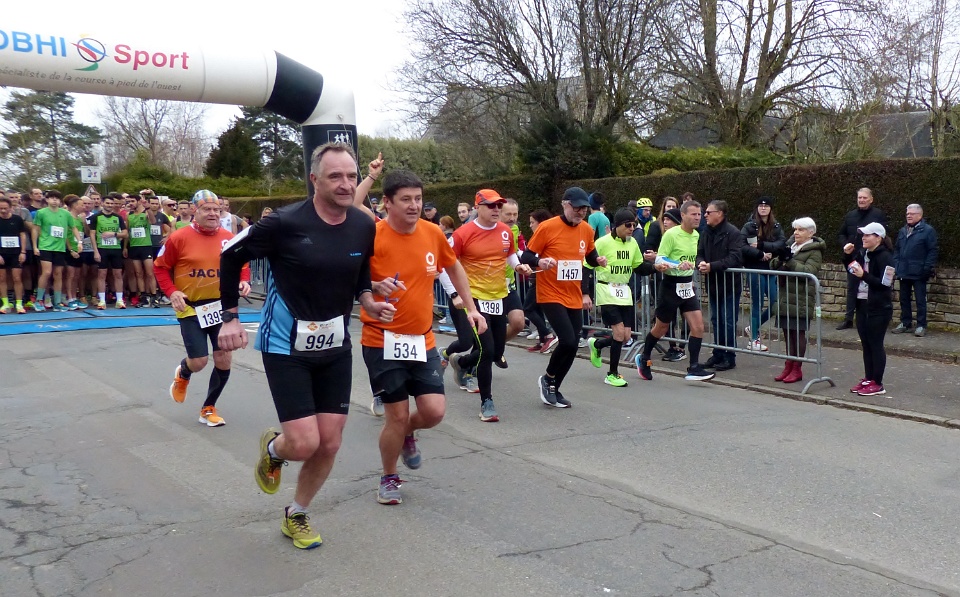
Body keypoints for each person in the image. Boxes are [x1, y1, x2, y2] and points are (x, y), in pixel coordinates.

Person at [218, 142, 393, 549]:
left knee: (330, 441)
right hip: (286, 345)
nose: (346, 184)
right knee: (303, 443)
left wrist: (367, 298)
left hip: (335, 344)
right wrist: (229, 316)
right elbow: (229, 255)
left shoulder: (363, 224)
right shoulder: (283, 222)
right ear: (314, 180)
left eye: (351, 176)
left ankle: (296, 512)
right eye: (335, 176)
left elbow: (359, 269)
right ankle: (275, 449)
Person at [357, 169, 484, 505]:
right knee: (396, 416)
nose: (414, 205)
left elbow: (453, 266)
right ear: (387, 203)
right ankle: (389, 476)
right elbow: (351, 278)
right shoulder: (371, 235)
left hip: (421, 340)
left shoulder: (432, 232)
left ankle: (408, 433)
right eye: (406, 200)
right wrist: (373, 289)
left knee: (434, 412)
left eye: (418, 199)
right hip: (381, 340)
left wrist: (471, 308)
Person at [155, 190, 252, 429]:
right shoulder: (179, 238)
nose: (213, 214)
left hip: (220, 307)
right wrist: (172, 292)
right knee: (199, 361)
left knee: (224, 358)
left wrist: (244, 280)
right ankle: (184, 372)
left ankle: (208, 408)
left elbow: (242, 264)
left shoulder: (228, 237)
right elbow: (160, 267)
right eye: (207, 209)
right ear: (194, 211)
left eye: (217, 210)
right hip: (190, 308)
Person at [448, 189, 531, 422]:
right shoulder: (463, 234)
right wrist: (455, 294)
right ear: (478, 207)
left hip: (498, 297)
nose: (496, 210)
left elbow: (510, 255)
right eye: (491, 206)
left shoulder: (505, 231)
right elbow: (447, 264)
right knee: (486, 350)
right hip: (474, 298)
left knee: (496, 350)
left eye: (498, 206)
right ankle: (487, 402)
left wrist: (518, 266)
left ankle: (461, 362)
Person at [521, 187, 607, 407]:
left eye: (584, 209)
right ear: (565, 204)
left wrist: (598, 260)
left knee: (573, 344)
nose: (581, 212)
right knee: (567, 340)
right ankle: (548, 379)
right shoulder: (547, 227)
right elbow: (527, 255)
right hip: (550, 292)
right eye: (577, 208)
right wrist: (539, 262)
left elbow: (590, 253)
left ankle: (554, 387)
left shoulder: (586, 229)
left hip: (573, 293)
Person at [635, 203, 715, 382]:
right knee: (661, 328)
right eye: (693, 214)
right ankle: (644, 357)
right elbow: (660, 258)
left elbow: (695, 257)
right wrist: (678, 264)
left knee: (698, 327)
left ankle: (693, 367)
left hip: (687, 286)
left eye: (699, 214)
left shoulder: (696, 235)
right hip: (671, 286)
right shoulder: (671, 234)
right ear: (683, 215)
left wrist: (700, 263)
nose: (698, 217)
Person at [585, 208, 654, 387]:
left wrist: (655, 267)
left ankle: (598, 345)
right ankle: (612, 374)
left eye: (634, 225)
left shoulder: (632, 243)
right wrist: (585, 293)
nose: (632, 228)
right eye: (628, 225)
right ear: (617, 225)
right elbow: (587, 266)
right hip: (606, 289)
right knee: (618, 332)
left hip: (624, 291)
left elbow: (638, 266)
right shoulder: (602, 242)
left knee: (625, 336)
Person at [768, 218, 824, 383]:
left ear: (810, 233)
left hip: (801, 297)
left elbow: (808, 271)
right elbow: (773, 265)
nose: (796, 233)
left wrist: (789, 261)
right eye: (795, 229)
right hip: (786, 295)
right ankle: (788, 365)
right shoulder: (791, 245)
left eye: (800, 230)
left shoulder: (814, 251)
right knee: (787, 332)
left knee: (797, 333)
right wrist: (781, 258)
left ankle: (797, 368)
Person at [842, 222, 895, 396]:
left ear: (878, 238)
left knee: (875, 344)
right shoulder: (864, 253)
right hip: (862, 304)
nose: (863, 238)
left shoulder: (885, 257)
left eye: (867, 235)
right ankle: (868, 378)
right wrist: (847, 256)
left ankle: (878, 383)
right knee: (866, 343)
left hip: (879, 307)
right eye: (863, 235)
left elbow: (885, 284)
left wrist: (864, 275)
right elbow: (852, 269)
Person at [697, 200, 744, 371]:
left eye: (708, 212)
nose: (705, 215)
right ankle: (718, 353)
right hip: (713, 284)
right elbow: (699, 253)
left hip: (730, 284)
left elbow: (735, 258)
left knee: (728, 321)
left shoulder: (733, 233)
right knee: (716, 320)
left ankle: (729, 357)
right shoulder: (706, 232)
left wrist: (712, 266)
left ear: (720, 214)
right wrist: (701, 263)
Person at [836, 188, 887, 330]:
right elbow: (841, 234)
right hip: (854, 257)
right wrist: (846, 244)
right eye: (859, 198)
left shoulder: (878, 215)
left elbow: (883, 235)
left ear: (871, 199)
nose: (862, 200)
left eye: (865, 198)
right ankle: (848, 319)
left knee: (871, 286)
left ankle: (871, 316)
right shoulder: (850, 215)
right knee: (852, 288)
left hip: (871, 258)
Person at [740, 196, 786, 351]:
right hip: (755, 268)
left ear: (770, 209)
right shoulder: (750, 226)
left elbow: (781, 244)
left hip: (770, 269)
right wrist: (760, 254)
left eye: (766, 206)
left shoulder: (776, 226)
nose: (763, 208)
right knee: (757, 303)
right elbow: (743, 246)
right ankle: (753, 339)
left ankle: (753, 327)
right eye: (760, 206)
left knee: (775, 303)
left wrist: (762, 245)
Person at [643, 197, 685, 361]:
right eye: (668, 207)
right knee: (666, 318)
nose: (670, 210)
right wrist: (658, 258)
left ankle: (683, 349)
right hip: (664, 278)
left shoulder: (688, 233)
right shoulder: (657, 227)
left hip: (684, 280)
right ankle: (669, 347)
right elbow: (649, 250)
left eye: (674, 207)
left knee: (691, 319)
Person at [892, 204, 938, 337]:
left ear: (920, 215)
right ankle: (905, 323)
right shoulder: (903, 231)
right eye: (907, 213)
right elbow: (897, 249)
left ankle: (921, 325)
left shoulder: (928, 231)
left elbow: (933, 250)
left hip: (919, 272)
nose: (908, 216)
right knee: (904, 299)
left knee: (920, 300)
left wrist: (927, 268)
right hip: (903, 271)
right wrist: (896, 263)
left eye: (912, 214)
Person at [31, 190, 79, 312]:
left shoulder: (66, 214)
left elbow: (73, 228)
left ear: (60, 201)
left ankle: (57, 302)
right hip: (45, 246)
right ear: (47, 200)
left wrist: (79, 242)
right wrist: (35, 246)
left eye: (57, 198)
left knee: (58, 274)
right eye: (52, 198)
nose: (54, 200)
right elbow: (35, 229)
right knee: (46, 272)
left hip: (60, 248)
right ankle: (39, 300)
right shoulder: (41, 213)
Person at [497, 197, 527, 365]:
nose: (512, 218)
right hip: (488, 288)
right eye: (508, 214)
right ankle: (468, 363)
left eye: (515, 214)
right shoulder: (489, 230)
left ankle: (497, 348)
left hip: (509, 285)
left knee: (518, 323)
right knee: (487, 333)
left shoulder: (514, 229)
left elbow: (516, 252)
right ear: (498, 213)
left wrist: (536, 260)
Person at [523, 209, 556, 352]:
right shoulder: (537, 237)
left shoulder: (546, 237)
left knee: (528, 309)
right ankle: (543, 340)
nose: (530, 225)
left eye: (532, 222)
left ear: (541, 223)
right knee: (537, 309)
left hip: (540, 278)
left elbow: (534, 256)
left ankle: (548, 335)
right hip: (535, 277)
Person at [88, 194, 128, 309]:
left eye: (112, 203)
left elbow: (125, 233)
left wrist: (113, 234)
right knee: (102, 274)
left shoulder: (118, 217)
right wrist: (95, 251)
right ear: (102, 203)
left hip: (115, 249)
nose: (110, 205)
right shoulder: (96, 217)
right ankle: (102, 301)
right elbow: (92, 234)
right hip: (102, 249)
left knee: (118, 274)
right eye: (107, 203)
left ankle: (119, 300)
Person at [125, 191, 158, 307]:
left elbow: (153, 221)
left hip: (146, 246)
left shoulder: (145, 213)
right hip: (134, 246)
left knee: (149, 273)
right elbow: (127, 232)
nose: (130, 203)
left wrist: (148, 208)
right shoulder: (129, 215)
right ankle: (143, 296)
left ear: (139, 201)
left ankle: (154, 296)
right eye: (129, 201)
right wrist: (125, 247)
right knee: (138, 273)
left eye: (133, 201)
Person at [0, 196, 28, 314]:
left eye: (5, 208)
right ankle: (5, 304)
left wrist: (23, 252)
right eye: (1, 208)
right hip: (2, 253)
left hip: (16, 253)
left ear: (11, 208)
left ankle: (19, 304)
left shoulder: (17, 219)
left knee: (17, 278)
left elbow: (22, 235)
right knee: (2, 278)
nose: (3, 211)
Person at [62, 195, 88, 310]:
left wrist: (84, 222)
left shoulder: (80, 218)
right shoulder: (67, 217)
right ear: (74, 206)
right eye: (82, 205)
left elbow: (84, 234)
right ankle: (69, 298)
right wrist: (71, 249)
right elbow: (66, 235)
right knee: (70, 275)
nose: (84, 207)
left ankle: (74, 296)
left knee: (77, 275)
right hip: (70, 250)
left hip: (80, 249)